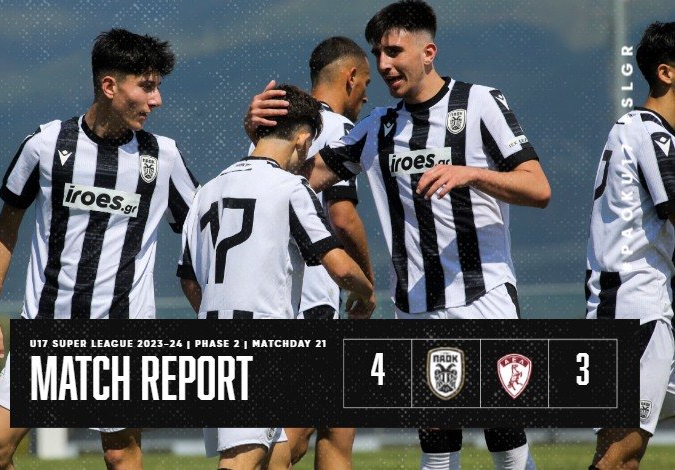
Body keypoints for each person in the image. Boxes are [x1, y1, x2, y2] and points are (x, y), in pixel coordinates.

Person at [245, 1, 550, 469]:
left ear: (428, 52)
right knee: (438, 447)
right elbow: (299, 176)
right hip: (416, 307)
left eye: (393, 51)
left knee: (504, 436)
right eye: (377, 54)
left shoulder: (480, 103)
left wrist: (470, 173)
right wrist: (259, 133)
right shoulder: (379, 127)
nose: (384, 64)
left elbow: (538, 187)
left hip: (484, 296)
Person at [0, 28, 198, 469]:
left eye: (157, 87)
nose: (156, 100)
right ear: (109, 86)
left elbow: (202, 233)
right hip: (48, 326)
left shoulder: (163, 157)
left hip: (123, 332)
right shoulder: (45, 145)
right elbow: (6, 227)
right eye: (146, 87)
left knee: (119, 455)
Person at [178, 83, 375, 470]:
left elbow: (188, 278)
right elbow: (338, 266)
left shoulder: (207, 191)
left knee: (276, 458)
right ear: (302, 139)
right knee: (240, 462)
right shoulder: (290, 187)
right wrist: (367, 294)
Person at [250, 36, 373, 470]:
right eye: (366, 83)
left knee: (336, 425)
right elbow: (342, 217)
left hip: (281, 292)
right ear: (351, 78)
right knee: (296, 436)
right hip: (315, 295)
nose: (366, 96)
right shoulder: (338, 129)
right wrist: (366, 284)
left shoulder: (273, 131)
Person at [585, 21, 675, 470]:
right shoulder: (650, 131)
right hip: (635, 308)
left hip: (640, 303)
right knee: (621, 454)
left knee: (619, 453)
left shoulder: (641, 130)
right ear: (667, 72)